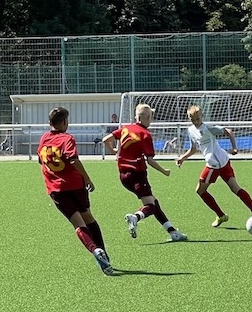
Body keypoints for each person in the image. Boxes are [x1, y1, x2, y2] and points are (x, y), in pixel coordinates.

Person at [37, 107, 114, 276]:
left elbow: (41, 161)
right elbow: (73, 160)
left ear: (50, 123)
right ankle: (103, 254)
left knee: (78, 223)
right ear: (64, 121)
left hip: (56, 190)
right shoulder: (67, 138)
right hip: (75, 186)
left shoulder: (44, 139)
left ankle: (95, 250)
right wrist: (87, 178)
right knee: (88, 218)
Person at [102, 103, 187, 242]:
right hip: (137, 175)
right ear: (148, 118)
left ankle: (172, 232)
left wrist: (113, 152)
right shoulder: (145, 134)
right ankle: (135, 217)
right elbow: (150, 160)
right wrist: (164, 171)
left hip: (123, 176)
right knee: (151, 206)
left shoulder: (126, 128)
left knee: (153, 202)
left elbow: (106, 140)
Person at [175, 105, 252, 227]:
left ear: (202, 116)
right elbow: (193, 149)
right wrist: (182, 158)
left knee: (200, 190)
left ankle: (221, 215)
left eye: (197, 119)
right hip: (223, 161)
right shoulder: (191, 131)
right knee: (234, 188)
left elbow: (228, 131)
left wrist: (234, 147)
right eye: (193, 120)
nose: (195, 122)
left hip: (214, 165)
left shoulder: (208, 128)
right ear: (189, 119)